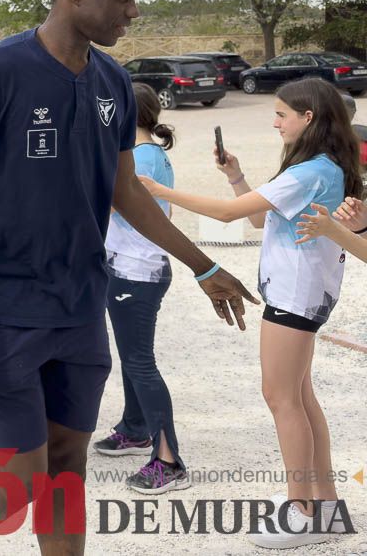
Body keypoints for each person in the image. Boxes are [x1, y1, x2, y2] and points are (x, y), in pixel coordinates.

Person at [0, 0, 256, 555]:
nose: (133, 12)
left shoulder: (111, 81)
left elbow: (127, 192)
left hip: (82, 304)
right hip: (2, 308)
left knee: (67, 467)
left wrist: (203, 264)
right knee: (24, 474)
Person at [140, 76, 358, 547]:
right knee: (300, 397)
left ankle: (301, 511)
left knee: (283, 399)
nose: (275, 122)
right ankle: (325, 506)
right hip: (301, 295)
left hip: (295, 298)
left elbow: (227, 215)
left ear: (309, 118)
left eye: (282, 114)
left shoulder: (311, 171)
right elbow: (260, 217)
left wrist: (158, 188)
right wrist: (235, 174)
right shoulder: (318, 166)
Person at [92, 82, 189, 495]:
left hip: (137, 272)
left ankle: (169, 460)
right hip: (130, 269)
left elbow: (110, 202)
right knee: (132, 358)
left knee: (140, 362)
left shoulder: (142, 158)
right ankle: (134, 428)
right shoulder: (149, 153)